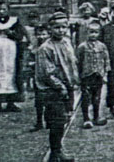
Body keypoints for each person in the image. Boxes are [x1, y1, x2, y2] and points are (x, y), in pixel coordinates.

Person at [35, 12, 79, 162]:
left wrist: (74, 81)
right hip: (53, 90)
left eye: (64, 27)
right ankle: (55, 153)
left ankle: (58, 150)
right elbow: (47, 74)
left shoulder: (67, 42)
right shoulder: (45, 48)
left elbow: (72, 64)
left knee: (65, 119)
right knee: (56, 121)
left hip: (68, 86)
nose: (61, 30)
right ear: (50, 29)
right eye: (57, 27)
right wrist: (60, 87)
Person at [77, 21, 110, 129]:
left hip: (98, 75)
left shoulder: (102, 46)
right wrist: (78, 75)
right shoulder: (82, 46)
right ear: (87, 33)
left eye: (96, 32)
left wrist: (105, 74)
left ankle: (96, 117)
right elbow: (78, 61)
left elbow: (106, 60)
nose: (93, 35)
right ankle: (86, 118)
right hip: (87, 75)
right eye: (91, 32)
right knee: (86, 97)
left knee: (97, 97)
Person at [30, 25, 50, 132]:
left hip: (50, 76)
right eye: (39, 34)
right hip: (38, 77)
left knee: (50, 100)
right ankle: (39, 121)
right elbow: (30, 59)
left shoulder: (51, 46)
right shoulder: (35, 47)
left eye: (43, 34)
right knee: (38, 100)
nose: (41, 37)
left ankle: (49, 121)